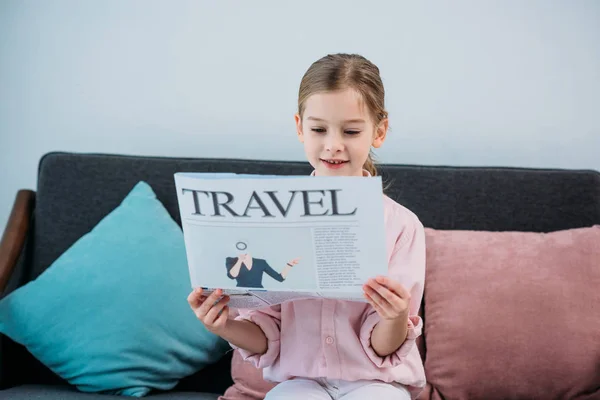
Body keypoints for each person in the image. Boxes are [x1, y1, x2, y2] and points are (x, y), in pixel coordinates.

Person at [188, 53, 426, 399]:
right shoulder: (271, 219)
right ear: (300, 127)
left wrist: (395, 316)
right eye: (318, 129)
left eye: (351, 130)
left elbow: (385, 347)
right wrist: (223, 324)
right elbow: (267, 332)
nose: (333, 144)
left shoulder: (402, 226)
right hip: (300, 384)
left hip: (376, 383)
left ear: (379, 131)